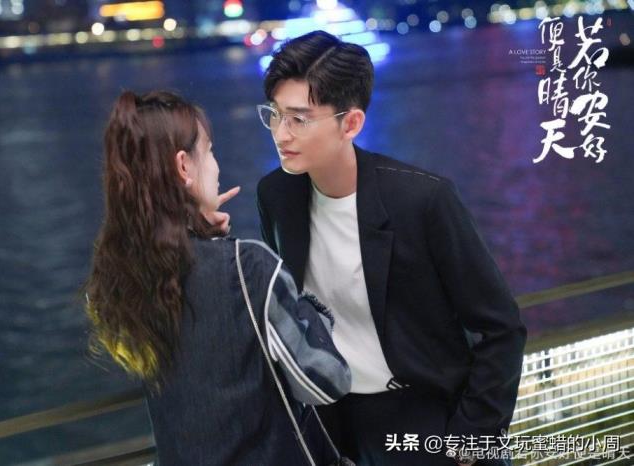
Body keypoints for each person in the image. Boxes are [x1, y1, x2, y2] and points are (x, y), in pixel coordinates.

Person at [256, 31, 527, 466]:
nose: (280, 133)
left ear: (351, 123)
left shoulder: (422, 200)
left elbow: (502, 327)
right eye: (274, 114)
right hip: (337, 424)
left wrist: (471, 436)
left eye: (299, 119)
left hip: (431, 419)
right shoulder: (276, 195)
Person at [84, 90, 351, 466]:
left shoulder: (119, 279)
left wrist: (195, 233)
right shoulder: (249, 267)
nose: (216, 166)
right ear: (184, 167)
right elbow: (326, 381)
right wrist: (309, 307)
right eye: (209, 152)